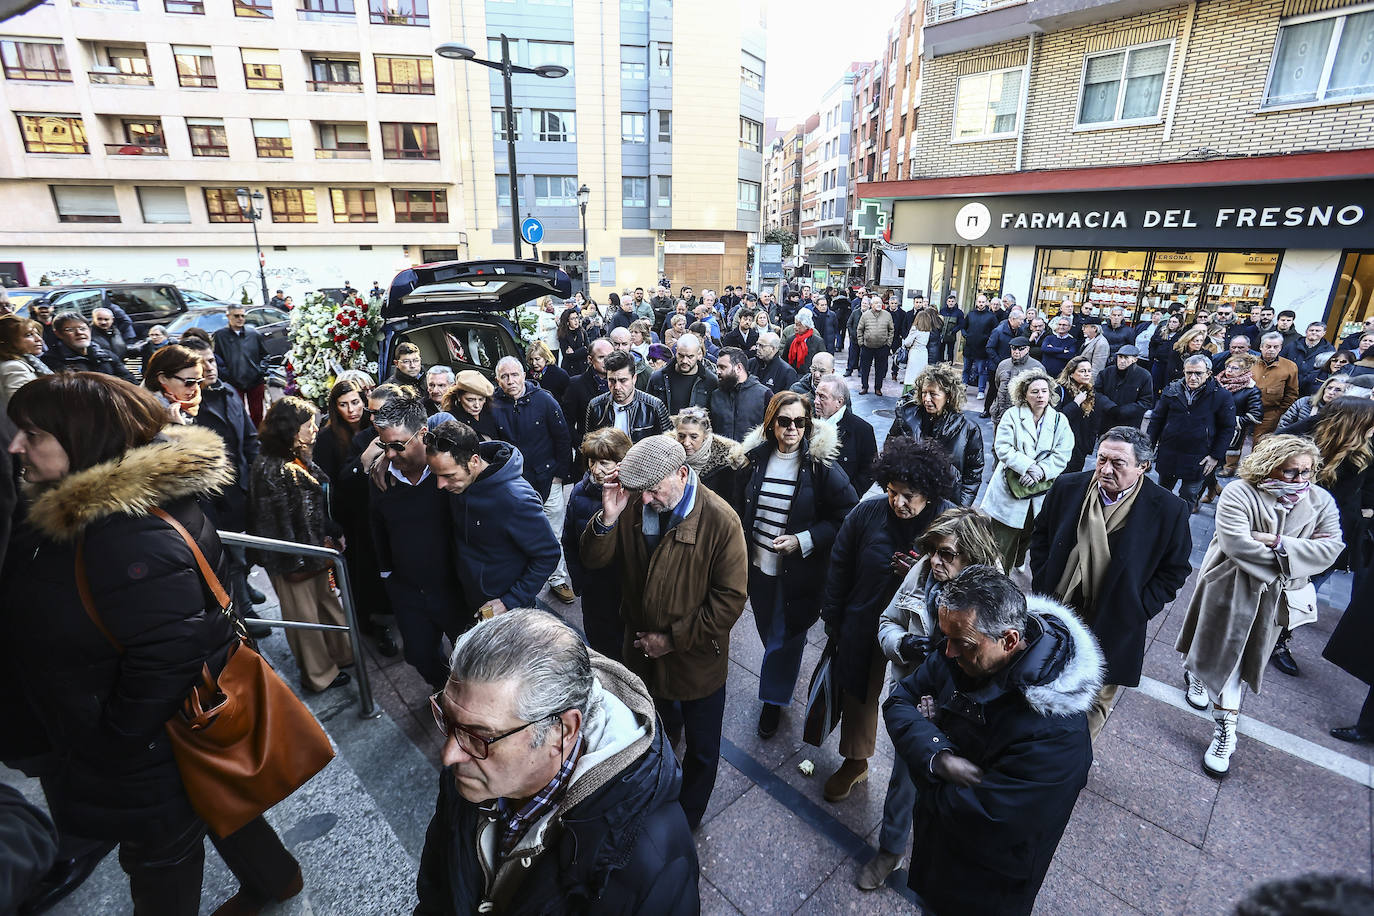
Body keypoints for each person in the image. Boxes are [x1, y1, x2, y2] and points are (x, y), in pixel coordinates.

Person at [2, 373, 304, 914]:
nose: (15, 446)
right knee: (219, 801)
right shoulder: (85, 513)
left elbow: (166, 655)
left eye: (31, 433)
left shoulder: (126, 533)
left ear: (81, 438)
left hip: (147, 741)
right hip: (150, 731)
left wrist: (113, 741)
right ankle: (276, 880)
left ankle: (275, 882)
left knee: (159, 857)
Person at [416, 609, 700, 915]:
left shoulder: (653, 861)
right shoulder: (471, 772)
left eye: (479, 736)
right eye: (447, 719)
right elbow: (438, 887)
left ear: (562, 731)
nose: (449, 755)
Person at [883, 565, 1103, 916]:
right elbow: (898, 702)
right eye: (946, 637)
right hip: (938, 859)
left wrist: (925, 753)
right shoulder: (963, 648)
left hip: (989, 891)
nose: (948, 652)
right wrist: (938, 756)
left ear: (1010, 641)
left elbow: (981, 820)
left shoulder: (1059, 736)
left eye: (962, 644)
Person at [580, 436, 748, 830]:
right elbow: (592, 558)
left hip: (696, 661)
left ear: (683, 474)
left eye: (654, 490)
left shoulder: (722, 521)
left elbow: (729, 600)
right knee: (651, 727)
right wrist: (607, 516)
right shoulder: (633, 507)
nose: (646, 500)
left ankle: (688, 818)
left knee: (703, 747)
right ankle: (650, 790)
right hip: (640, 651)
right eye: (641, 491)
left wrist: (671, 639)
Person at [1176, 435, 1343, 777]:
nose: (1301, 480)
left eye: (1307, 472)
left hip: (1277, 599)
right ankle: (1214, 707)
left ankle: (1223, 726)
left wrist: (1280, 543)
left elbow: (1331, 549)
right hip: (1229, 585)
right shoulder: (1239, 492)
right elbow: (1238, 544)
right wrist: (1296, 555)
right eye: (1291, 472)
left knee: (1241, 662)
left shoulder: (1321, 501)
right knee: (1211, 642)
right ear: (1270, 466)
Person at [860, 508, 1003, 891]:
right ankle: (890, 850)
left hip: (963, 716)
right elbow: (887, 622)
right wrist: (903, 645)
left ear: (972, 555)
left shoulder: (996, 596)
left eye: (947, 553)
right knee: (903, 780)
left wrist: (948, 704)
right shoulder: (921, 571)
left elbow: (997, 667)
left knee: (954, 796)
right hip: (912, 698)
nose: (935, 560)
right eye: (932, 550)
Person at [1030, 427, 1192, 738]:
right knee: (1040, 680)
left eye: (1118, 463)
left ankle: (1072, 766)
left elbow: (1175, 570)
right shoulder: (1068, 486)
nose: (1105, 470)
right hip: (1056, 609)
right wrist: (1043, 575)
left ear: (1142, 466)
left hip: (1115, 620)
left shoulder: (1169, 509)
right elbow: (1041, 536)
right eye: (1102, 459)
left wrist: (1139, 607)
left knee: (1094, 703)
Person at [819, 437, 957, 803]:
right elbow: (840, 562)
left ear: (929, 490)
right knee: (858, 693)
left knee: (916, 704)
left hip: (922, 635)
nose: (899, 502)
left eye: (909, 494)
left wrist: (922, 573)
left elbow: (969, 577)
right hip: (863, 623)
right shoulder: (868, 513)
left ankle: (915, 771)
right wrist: (833, 617)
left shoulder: (951, 522)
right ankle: (855, 760)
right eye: (893, 491)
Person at [734, 391, 858, 740]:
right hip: (758, 568)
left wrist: (803, 540)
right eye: (784, 421)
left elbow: (848, 513)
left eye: (800, 422)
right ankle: (781, 674)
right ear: (771, 424)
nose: (792, 429)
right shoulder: (755, 459)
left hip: (800, 574)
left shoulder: (820, 467)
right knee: (769, 632)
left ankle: (773, 700)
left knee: (784, 639)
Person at [248, 396, 355, 692]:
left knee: (326, 604)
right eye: (309, 425)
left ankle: (343, 653)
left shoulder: (293, 456)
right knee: (304, 617)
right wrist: (300, 561)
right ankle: (319, 675)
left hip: (315, 552)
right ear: (292, 430)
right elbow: (276, 525)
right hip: (294, 559)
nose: (315, 430)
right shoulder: (272, 468)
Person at [423, 419, 561, 618]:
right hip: (466, 600)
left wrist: (510, 601)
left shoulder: (516, 500)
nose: (440, 485)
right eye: (436, 474)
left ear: (475, 461)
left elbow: (548, 555)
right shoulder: (458, 480)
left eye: (448, 475)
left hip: (505, 614)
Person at [489, 359, 573, 602]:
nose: (510, 381)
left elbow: (562, 438)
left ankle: (557, 579)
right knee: (517, 535)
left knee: (553, 533)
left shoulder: (545, 400)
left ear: (524, 374)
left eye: (515, 375)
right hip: (513, 485)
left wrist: (560, 475)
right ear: (497, 379)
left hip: (548, 478)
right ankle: (523, 586)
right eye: (504, 376)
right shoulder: (492, 405)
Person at [979, 369, 1075, 571]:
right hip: (1010, 488)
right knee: (1002, 538)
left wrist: (1040, 471)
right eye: (1034, 392)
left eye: (1044, 391)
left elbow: (1063, 453)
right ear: (1024, 395)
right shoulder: (1012, 416)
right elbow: (1003, 447)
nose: (1040, 396)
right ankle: (998, 576)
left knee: (1030, 532)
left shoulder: (1060, 421)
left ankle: (1019, 560)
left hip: (1039, 491)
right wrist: (1028, 467)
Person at [562, 427, 632, 660]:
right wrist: (580, 582)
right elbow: (569, 541)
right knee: (602, 648)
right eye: (592, 460)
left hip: (626, 591)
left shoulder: (636, 496)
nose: (595, 469)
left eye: (604, 462)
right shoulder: (579, 492)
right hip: (595, 591)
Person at [888, 362, 985, 506]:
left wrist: (960, 508)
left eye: (933, 394)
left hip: (944, 504)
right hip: (907, 502)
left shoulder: (968, 429)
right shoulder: (906, 420)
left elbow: (973, 474)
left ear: (949, 396)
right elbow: (888, 454)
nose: (927, 399)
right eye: (924, 393)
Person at [1149, 354, 1237, 511]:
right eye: (1189, 373)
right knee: (1161, 494)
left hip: (1199, 457)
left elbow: (1227, 428)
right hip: (1170, 452)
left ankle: (1178, 529)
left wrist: (1215, 456)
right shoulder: (1172, 390)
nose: (1193, 377)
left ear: (1208, 373)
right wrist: (1148, 448)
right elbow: (1157, 419)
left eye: (1198, 373)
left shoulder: (1221, 396)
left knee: (1188, 497)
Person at [810, 373, 875, 496]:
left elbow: (869, 470)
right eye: (816, 395)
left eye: (822, 397)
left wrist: (849, 494)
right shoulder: (807, 422)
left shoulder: (862, 430)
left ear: (839, 402)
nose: (816, 401)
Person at [585, 350, 670, 442]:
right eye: (612, 380)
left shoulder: (654, 406)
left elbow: (668, 446)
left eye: (623, 380)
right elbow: (588, 445)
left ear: (634, 378)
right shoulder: (596, 405)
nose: (617, 387)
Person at [213, 304, 269, 425]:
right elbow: (216, 358)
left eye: (243, 316)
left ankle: (257, 439)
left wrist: (260, 370)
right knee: (237, 413)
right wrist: (226, 376)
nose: (240, 319)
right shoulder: (220, 336)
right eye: (236, 316)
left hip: (255, 381)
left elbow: (265, 355)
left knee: (257, 414)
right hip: (233, 382)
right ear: (228, 316)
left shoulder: (254, 333)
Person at [40, 311, 133, 381]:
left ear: (89, 330)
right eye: (70, 330)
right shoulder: (51, 360)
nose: (79, 333)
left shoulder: (106, 355)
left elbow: (129, 380)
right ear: (58, 334)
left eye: (82, 328)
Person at [670, 407, 741, 497]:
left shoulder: (727, 462)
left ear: (706, 435)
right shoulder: (667, 456)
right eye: (681, 436)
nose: (686, 443)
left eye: (694, 437)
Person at [707, 347, 769, 442]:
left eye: (722, 367)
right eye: (717, 367)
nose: (717, 371)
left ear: (738, 368)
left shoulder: (764, 395)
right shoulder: (716, 395)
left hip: (751, 454)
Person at [648, 333, 717, 414]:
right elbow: (648, 411)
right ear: (676, 350)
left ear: (698, 354)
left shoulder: (711, 381)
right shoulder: (658, 378)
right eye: (681, 355)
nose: (684, 360)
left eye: (690, 356)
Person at [1055, 356, 1102, 473]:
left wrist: (1087, 447)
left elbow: (1093, 420)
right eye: (1082, 371)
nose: (1087, 374)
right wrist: (1076, 402)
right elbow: (1057, 417)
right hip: (1061, 446)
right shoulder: (1059, 390)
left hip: (1080, 449)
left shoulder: (1090, 391)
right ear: (1071, 373)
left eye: (1089, 371)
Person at [1251, 331, 1300, 442]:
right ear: (1261, 347)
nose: (1271, 349)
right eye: (1268, 346)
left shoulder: (1290, 366)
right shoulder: (1250, 363)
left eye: (1275, 347)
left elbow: (1292, 393)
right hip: (1246, 409)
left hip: (1270, 412)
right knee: (1236, 440)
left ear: (1280, 348)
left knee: (1261, 442)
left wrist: (1279, 413)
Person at [0, 315, 52, 413]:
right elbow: (23, 409)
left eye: (37, 334)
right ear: (8, 341)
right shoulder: (12, 367)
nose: (39, 339)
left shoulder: (27, 360)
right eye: (29, 335)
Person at [1095, 344, 1153, 430]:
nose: (1122, 361)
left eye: (1126, 358)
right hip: (1107, 419)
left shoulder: (1144, 376)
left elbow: (1146, 401)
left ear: (1135, 359)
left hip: (1130, 423)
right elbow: (1096, 392)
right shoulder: (1106, 372)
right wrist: (1109, 406)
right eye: (1120, 357)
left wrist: (1123, 411)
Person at [990, 336, 1044, 428]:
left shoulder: (1037, 367)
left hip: (1023, 415)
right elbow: (997, 384)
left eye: (1020, 349)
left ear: (1027, 349)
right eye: (1013, 348)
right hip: (1001, 412)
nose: (1016, 351)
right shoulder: (1003, 364)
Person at [1277, 374, 1351, 434]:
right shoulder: (1304, 402)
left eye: (1338, 390)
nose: (1331, 392)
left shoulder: (1346, 413)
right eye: (1329, 388)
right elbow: (1284, 424)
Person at [441, 369, 502, 440]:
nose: (477, 405)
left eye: (481, 399)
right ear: (458, 397)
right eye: (470, 400)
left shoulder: (492, 414)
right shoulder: (451, 419)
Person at [855, 296, 894, 396]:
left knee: (880, 369)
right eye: (876, 303)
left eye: (880, 303)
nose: (878, 305)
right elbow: (860, 329)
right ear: (871, 305)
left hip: (882, 347)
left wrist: (888, 344)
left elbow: (891, 330)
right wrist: (861, 343)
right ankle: (864, 387)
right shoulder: (865, 315)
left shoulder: (887, 315)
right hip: (867, 347)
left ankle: (878, 388)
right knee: (865, 368)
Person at [962, 294, 998, 398]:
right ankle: (963, 387)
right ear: (976, 302)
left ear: (986, 303)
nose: (981, 304)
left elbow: (995, 331)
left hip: (982, 349)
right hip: (969, 347)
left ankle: (981, 390)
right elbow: (963, 327)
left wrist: (988, 340)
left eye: (983, 302)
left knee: (981, 371)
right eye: (979, 302)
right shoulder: (971, 314)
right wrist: (966, 335)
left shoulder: (991, 317)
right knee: (966, 369)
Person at [1284, 321, 1336, 393]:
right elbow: (1281, 361)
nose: (1314, 332)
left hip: (1311, 388)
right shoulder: (1292, 345)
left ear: (1324, 333)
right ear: (1306, 332)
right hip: (1288, 384)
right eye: (1311, 330)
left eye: (1317, 331)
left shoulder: (1329, 350)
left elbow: (1328, 369)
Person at [900, 309, 933, 392]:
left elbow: (907, 342)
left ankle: (908, 392)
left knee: (911, 375)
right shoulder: (928, 330)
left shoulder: (915, 329)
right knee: (921, 375)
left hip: (915, 353)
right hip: (923, 353)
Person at [1039, 316, 1079, 381]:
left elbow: (1070, 355)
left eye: (1064, 325)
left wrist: (1051, 351)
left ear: (1069, 327)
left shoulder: (1073, 341)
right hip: (1045, 374)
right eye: (1059, 324)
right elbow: (1044, 349)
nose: (1061, 327)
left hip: (1061, 376)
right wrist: (1062, 350)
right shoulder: (1049, 338)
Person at [556, 307, 590, 376]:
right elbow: (567, 356)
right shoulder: (563, 334)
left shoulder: (582, 332)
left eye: (577, 318)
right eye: (572, 319)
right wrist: (582, 350)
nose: (576, 320)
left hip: (582, 369)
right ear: (567, 321)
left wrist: (575, 352)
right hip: (569, 370)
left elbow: (588, 349)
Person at [937, 293, 964, 363]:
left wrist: (953, 331)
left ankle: (950, 365)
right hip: (942, 335)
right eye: (949, 301)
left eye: (952, 301)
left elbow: (961, 324)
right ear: (947, 302)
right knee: (941, 351)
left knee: (950, 351)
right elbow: (939, 322)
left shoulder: (959, 312)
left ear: (955, 302)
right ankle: (940, 364)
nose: (951, 303)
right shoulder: (942, 311)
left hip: (951, 336)